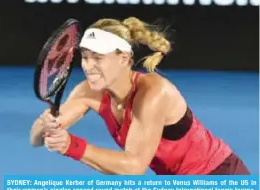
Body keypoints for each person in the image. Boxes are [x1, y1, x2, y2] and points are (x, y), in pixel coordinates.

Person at [30, 17, 250, 175]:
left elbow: (134, 166)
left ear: (124, 59)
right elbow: (35, 140)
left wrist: (71, 145)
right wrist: (46, 125)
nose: (88, 66)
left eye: (98, 58)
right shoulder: (87, 91)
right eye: (85, 57)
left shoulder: (154, 93)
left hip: (218, 174)